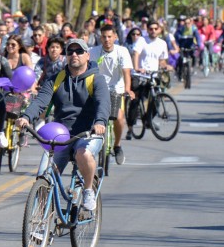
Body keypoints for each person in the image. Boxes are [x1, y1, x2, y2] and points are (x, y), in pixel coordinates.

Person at [17, 39, 110, 212]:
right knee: (44, 177)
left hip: (88, 133)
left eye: (79, 51)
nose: (74, 54)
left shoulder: (96, 79)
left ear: (87, 55)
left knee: (83, 153)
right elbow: (41, 102)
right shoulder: (56, 79)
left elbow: (102, 103)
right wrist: (26, 117)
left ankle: (88, 190)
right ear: (65, 56)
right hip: (61, 135)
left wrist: (99, 122)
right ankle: (40, 222)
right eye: (70, 52)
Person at [89, 24, 134, 165]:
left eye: (109, 36)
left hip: (117, 90)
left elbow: (126, 73)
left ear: (115, 37)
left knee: (119, 118)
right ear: (100, 37)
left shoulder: (122, 51)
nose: (107, 40)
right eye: (104, 37)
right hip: (98, 89)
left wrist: (128, 89)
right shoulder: (93, 52)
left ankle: (117, 145)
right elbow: (88, 72)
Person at [128, 20, 170, 139]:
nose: (153, 31)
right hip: (140, 74)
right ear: (147, 30)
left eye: (155, 29)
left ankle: (148, 120)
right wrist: (136, 68)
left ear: (159, 30)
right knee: (135, 101)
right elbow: (136, 54)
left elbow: (162, 60)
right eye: (151, 29)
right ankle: (130, 128)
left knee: (156, 100)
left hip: (153, 75)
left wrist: (166, 66)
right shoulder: (142, 40)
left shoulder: (162, 43)